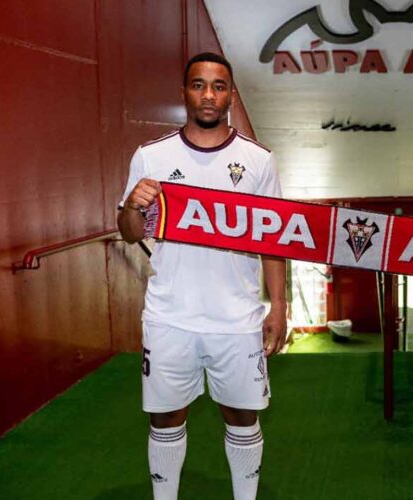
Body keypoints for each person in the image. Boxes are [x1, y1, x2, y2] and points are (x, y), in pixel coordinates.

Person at [117, 52, 287, 500]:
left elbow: (274, 241)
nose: (208, 95)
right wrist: (134, 205)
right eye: (198, 85)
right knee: (166, 418)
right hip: (170, 315)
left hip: (238, 318)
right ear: (184, 92)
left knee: (242, 416)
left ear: (231, 93)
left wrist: (279, 308)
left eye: (218, 86)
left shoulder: (258, 161)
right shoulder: (151, 156)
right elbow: (130, 232)